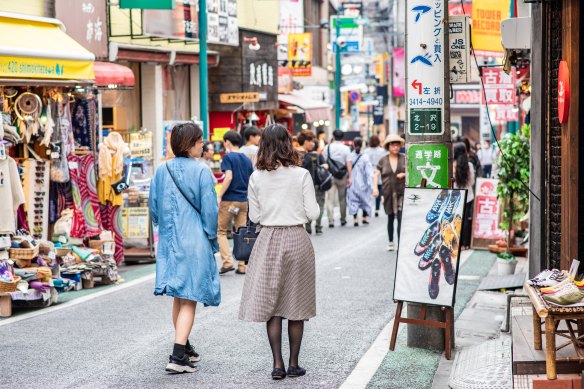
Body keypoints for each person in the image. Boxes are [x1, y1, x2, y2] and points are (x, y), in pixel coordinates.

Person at [239, 124, 320, 380]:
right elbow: (314, 213)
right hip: (297, 237)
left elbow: (254, 215)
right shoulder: (301, 175)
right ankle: (295, 363)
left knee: (272, 305)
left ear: (263, 145)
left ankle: (277, 364)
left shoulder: (256, 177)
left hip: (268, 239)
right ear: (288, 143)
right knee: (296, 304)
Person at [149, 122, 220, 373]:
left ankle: (185, 344)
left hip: (169, 240)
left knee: (179, 295)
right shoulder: (201, 171)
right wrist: (212, 236)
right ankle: (178, 356)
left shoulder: (161, 169)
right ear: (190, 143)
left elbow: (154, 207)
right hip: (194, 238)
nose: (203, 144)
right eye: (200, 141)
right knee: (189, 298)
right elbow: (210, 211)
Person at [217, 131, 254, 275]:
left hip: (230, 201)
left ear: (227, 142)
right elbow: (252, 179)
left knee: (220, 231)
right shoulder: (246, 159)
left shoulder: (227, 157)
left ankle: (227, 262)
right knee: (241, 232)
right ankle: (242, 265)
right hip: (244, 201)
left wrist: (219, 195)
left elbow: (229, 177)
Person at [373, 134, 406, 251]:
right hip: (387, 192)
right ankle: (391, 241)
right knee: (390, 217)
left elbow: (412, 172)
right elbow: (376, 174)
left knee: (401, 218)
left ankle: (401, 242)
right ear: (388, 146)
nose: (395, 147)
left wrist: (405, 174)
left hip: (402, 192)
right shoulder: (383, 160)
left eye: (397, 145)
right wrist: (375, 188)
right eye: (393, 145)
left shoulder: (404, 158)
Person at [298, 130, 327, 235]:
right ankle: (316, 225)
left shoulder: (294, 154)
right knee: (316, 204)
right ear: (305, 141)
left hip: (298, 187)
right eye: (311, 141)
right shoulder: (307, 156)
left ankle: (308, 225)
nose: (313, 143)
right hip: (310, 186)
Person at [323, 129, 351, 228]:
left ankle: (330, 220)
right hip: (342, 176)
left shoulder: (327, 147)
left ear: (333, 137)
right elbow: (348, 164)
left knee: (330, 199)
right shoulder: (346, 149)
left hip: (330, 175)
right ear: (342, 137)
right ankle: (343, 219)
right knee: (342, 198)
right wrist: (350, 177)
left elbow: (324, 162)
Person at [453, 142, 475, 249]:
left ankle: (458, 243)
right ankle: (466, 244)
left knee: (457, 219)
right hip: (469, 196)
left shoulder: (453, 165)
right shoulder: (469, 165)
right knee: (467, 219)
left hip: (456, 196)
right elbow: (472, 182)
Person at [347, 137, 374, 226]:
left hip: (354, 181)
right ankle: (364, 218)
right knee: (365, 199)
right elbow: (369, 171)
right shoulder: (365, 156)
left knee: (353, 200)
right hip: (364, 182)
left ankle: (355, 220)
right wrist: (370, 182)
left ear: (353, 144)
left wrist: (350, 178)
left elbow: (349, 169)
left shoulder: (350, 155)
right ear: (362, 144)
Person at [362, 135, 388, 217]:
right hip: (379, 172)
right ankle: (377, 209)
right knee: (379, 191)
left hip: (369, 173)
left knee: (368, 193)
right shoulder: (382, 151)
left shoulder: (366, 151)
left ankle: (366, 210)